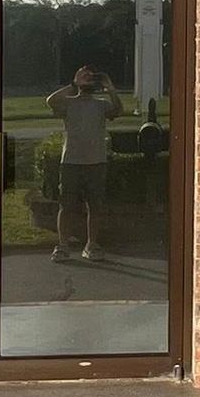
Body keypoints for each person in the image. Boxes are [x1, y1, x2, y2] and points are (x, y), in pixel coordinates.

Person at [45, 65, 122, 262]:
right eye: (84, 76)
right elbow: (50, 101)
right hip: (71, 162)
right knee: (66, 206)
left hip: (96, 162)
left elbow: (118, 111)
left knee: (95, 206)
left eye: (91, 76)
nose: (88, 79)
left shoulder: (101, 104)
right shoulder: (68, 103)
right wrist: (73, 84)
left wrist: (110, 87)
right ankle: (62, 245)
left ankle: (91, 245)